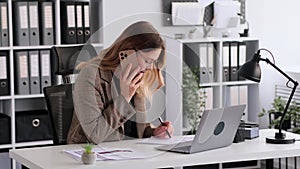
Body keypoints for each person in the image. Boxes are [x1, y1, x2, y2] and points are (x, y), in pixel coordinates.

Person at [67, 21, 174, 144]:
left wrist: (154, 132)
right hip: (92, 155)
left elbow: (135, 131)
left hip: (127, 155)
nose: (150, 67)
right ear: (128, 52)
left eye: (153, 62)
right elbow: (94, 135)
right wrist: (125, 97)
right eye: (147, 60)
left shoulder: (136, 76)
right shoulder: (91, 75)